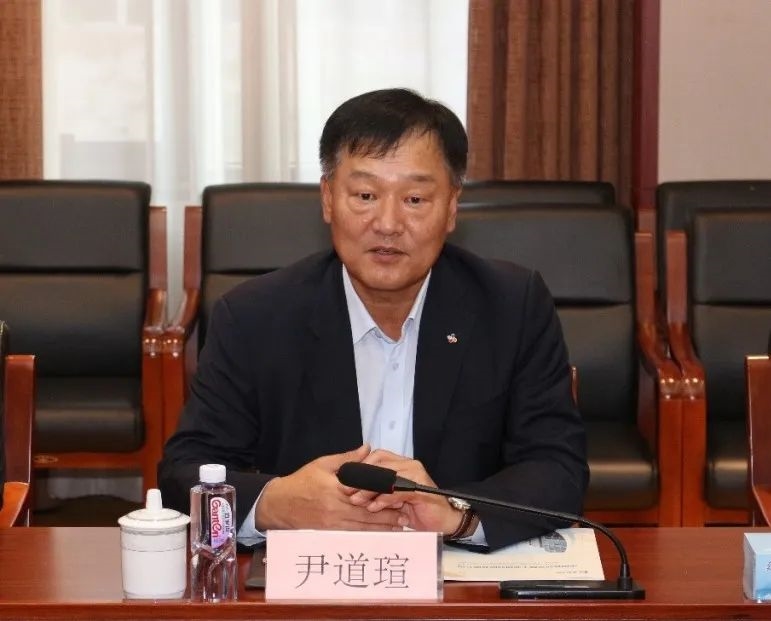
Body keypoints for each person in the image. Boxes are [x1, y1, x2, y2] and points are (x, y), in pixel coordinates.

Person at [159, 88, 588, 551]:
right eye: (365, 195)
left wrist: (457, 514)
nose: (387, 223)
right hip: (311, 574)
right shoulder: (254, 316)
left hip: (455, 573)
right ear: (328, 198)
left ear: (451, 207)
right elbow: (184, 473)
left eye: (415, 199)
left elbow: (557, 466)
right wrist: (276, 503)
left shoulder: (511, 306)